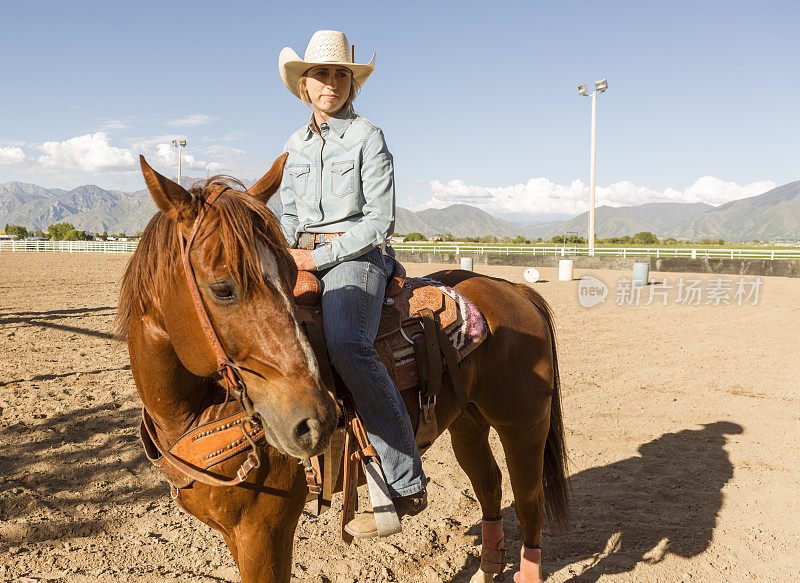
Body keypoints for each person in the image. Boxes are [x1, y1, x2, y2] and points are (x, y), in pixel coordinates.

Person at [277, 30, 427, 538]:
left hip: (357, 255)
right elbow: (290, 215)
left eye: (341, 74)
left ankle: (405, 481)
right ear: (304, 84)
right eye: (321, 74)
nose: (331, 84)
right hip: (303, 254)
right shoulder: (294, 146)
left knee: (347, 344)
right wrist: (286, 256)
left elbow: (378, 220)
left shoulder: (368, 136)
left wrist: (319, 255)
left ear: (351, 83)